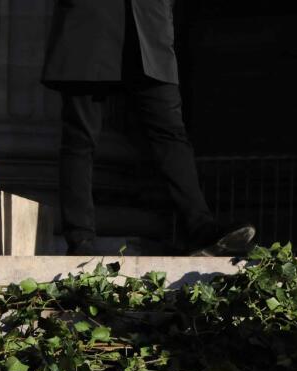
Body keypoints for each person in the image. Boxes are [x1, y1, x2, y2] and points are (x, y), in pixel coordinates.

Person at [42, 0, 255, 255]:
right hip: (90, 22)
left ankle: (200, 228)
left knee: (170, 132)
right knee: (80, 138)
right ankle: (80, 239)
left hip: (148, 23)